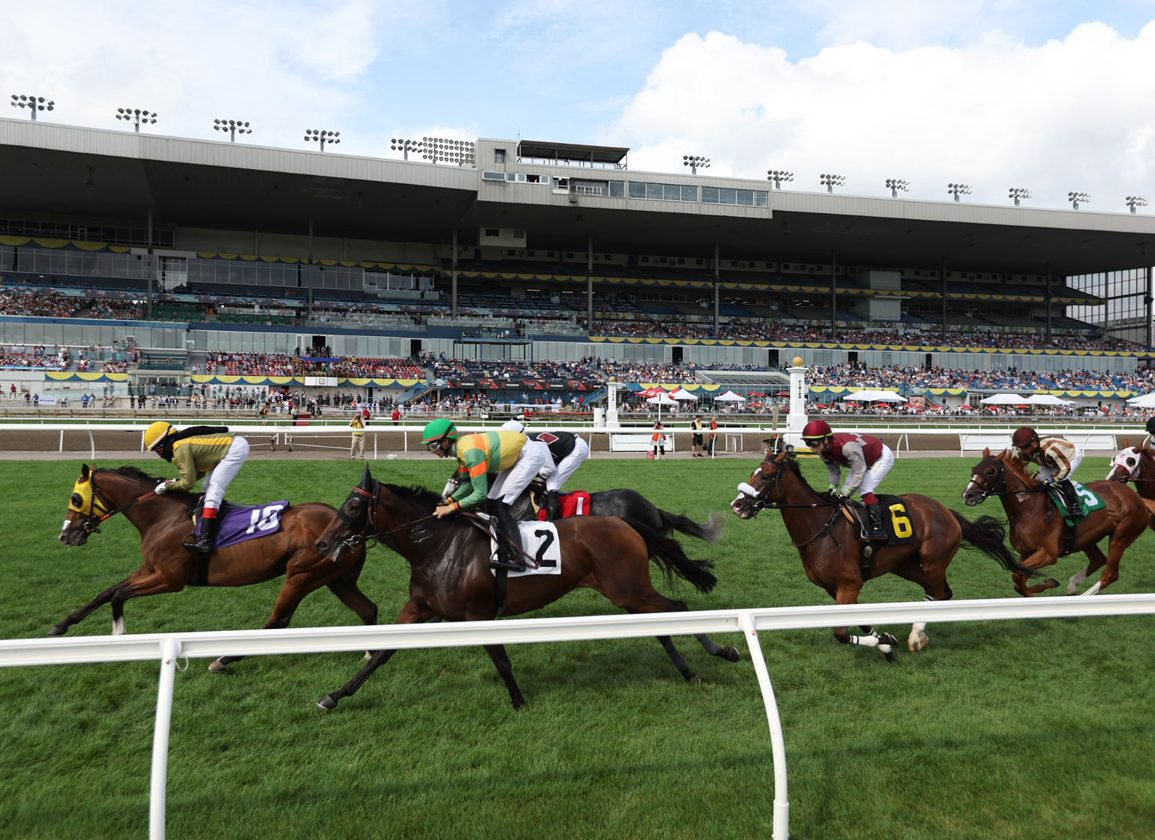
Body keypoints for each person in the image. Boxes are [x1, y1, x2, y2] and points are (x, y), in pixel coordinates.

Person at [421, 418, 551, 571]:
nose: (432, 451)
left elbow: (480, 494)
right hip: (516, 456)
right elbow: (467, 485)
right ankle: (500, 547)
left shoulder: (470, 453)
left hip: (528, 456)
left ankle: (518, 559)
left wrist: (451, 508)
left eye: (433, 446)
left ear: (445, 442)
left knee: (501, 505)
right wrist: (449, 501)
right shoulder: (462, 452)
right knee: (491, 503)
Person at [144, 420, 250, 554]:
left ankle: (206, 540)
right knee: (207, 486)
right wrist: (173, 482)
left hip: (234, 449)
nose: (159, 454)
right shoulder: (180, 445)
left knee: (214, 490)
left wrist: (168, 487)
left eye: (157, 449)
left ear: (164, 443)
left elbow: (188, 483)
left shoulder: (179, 448)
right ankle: (211, 518)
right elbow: (194, 475)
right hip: (232, 446)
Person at [801, 418, 895, 541]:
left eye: (813, 443)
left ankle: (878, 528)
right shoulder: (823, 450)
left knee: (864, 488)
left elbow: (859, 472)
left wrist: (843, 494)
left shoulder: (847, 448)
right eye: (807, 443)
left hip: (880, 456)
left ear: (825, 440)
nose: (811, 448)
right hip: (862, 459)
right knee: (845, 491)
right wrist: (832, 488)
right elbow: (833, 470)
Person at [500, 418, 591, 520]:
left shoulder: (534, 444)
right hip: (562, 449)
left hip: (576, 449)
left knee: (552, 483)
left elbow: (549, 469)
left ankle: (552, 522)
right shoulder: (526, 443)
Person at [1010, 426, 1083, 515]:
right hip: (1049, 461)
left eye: (1022, 448)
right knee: (1038, 481)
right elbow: (1018, 466)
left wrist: (1050, 480)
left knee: (1063, 479)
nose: (1021, 451)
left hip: (1070, 456)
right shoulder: (1025, 452)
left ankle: (1075, 506)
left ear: (1033, 444)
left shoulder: (1050, 450)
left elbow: (1065, 468)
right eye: (1019, 447)